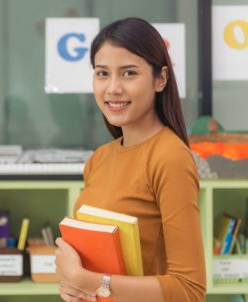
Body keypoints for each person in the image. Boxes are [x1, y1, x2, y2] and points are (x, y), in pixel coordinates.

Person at [54, 17, 206, 302]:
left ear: (160, 79)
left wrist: (85, 280)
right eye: (102, 73)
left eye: (128, 73)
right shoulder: (100, 158)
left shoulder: (170, 158)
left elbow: (189, 290)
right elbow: (95, 268)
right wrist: (74, 288)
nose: (112, 88)